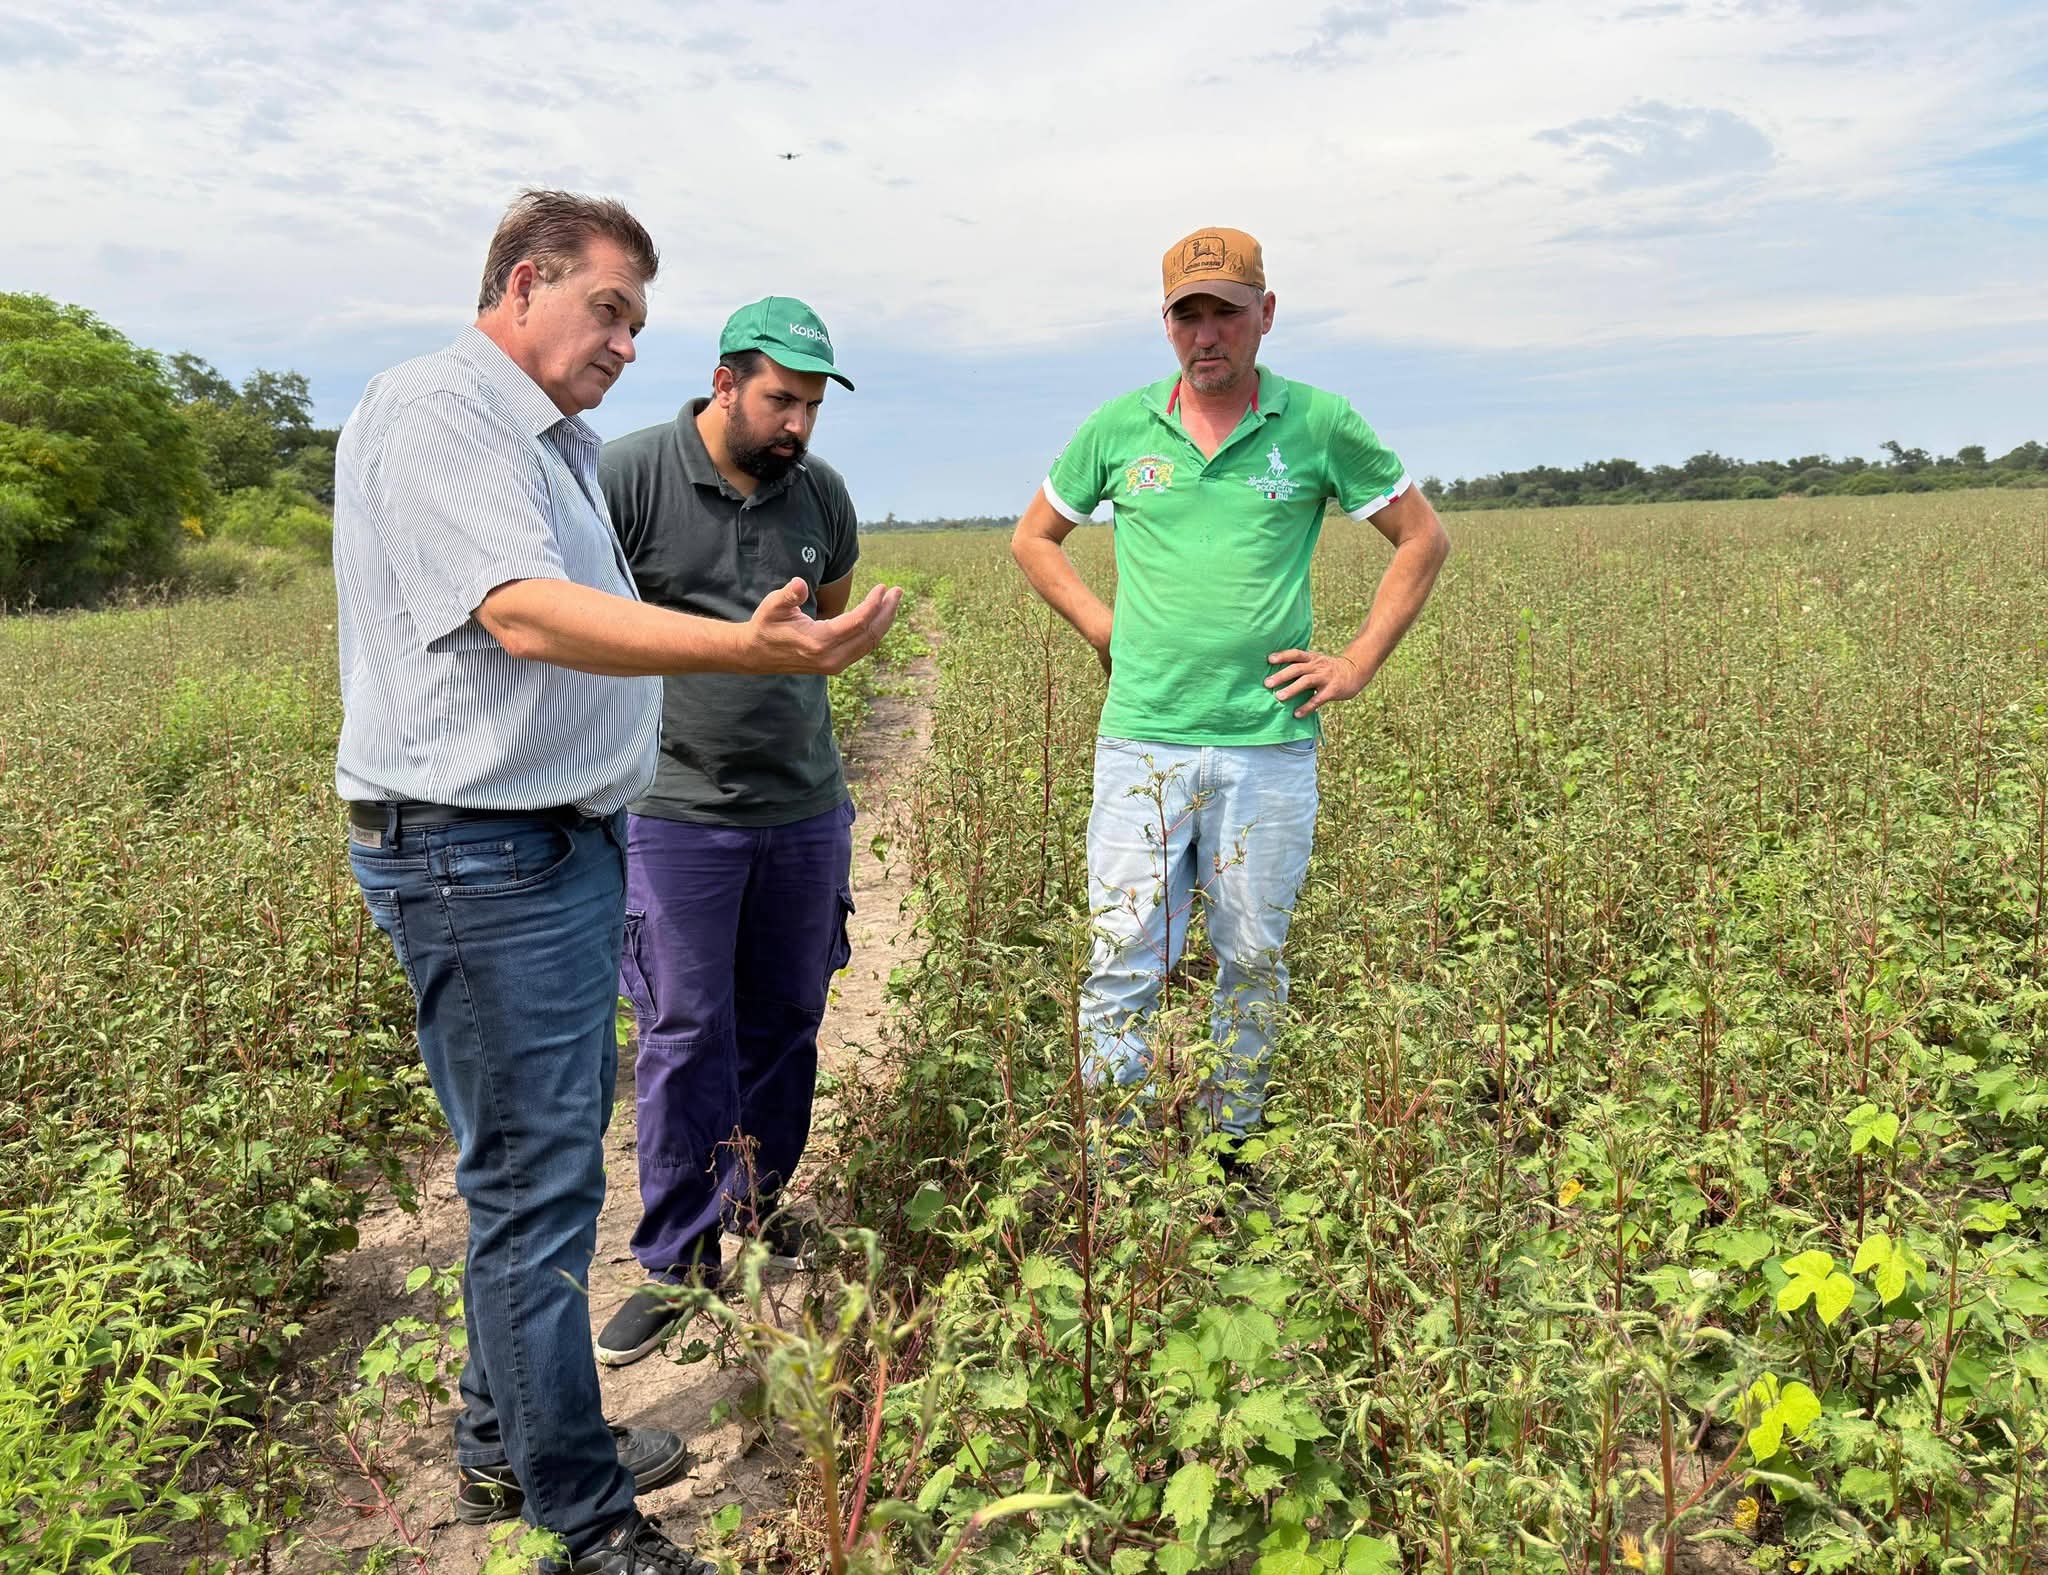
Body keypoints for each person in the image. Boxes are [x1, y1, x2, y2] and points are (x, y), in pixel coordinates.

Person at [334, 190, 899, 1575]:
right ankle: (585, 1515)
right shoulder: (441, 413)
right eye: (611, 311)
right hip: (480, 850)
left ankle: (510, 1429)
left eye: (639, 321)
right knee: (536, 1191)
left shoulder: (547, 441)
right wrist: (741, 655)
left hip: (548, 844)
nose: (626, 343)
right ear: (525, 283)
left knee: (541, 1165)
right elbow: (520, 608)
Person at [1009, 226, 1449, 1152]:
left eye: (1226, 313)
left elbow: (1423, 538)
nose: (1207, 335)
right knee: (1124, 956)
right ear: (1166, 324)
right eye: (1188, 316)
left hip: (1269, 743)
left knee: (1251, 956)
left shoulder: (1321, 422)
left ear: (1266, 315)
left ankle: (1231, 1148)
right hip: (1143, 738)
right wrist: (1105, 629)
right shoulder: (1122, 425)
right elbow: (1035, 537)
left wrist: (1357, 661)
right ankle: (1119, 1162)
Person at [592, 298, 862, 1366]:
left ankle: (752, 1211)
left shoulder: (819, 496)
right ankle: (674, 1263)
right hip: (673, 807)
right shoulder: (630, 475)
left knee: (787, 1019)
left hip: (802, 804)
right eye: (778, 399)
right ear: (723, 384)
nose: (795, 424)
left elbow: (824, 621)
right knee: (685, 1031)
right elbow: (577, 616)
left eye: (809, 406)